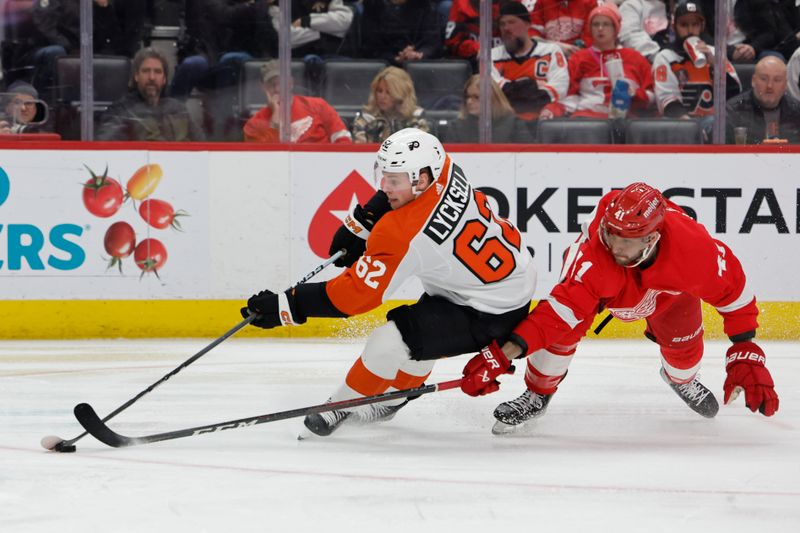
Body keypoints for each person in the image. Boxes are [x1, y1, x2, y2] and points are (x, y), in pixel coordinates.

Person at [240, 128, 537, 437]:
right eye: (384, 175)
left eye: (393, 180)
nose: (384, 185)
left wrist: (289, 303)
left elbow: (356, 297)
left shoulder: (402, 233)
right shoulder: (444, 166)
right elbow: (398, 197)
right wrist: (363, 222)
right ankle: (399, 395)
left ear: (421, 179)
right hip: (502, 281)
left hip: (490, 311)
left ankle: (338, 408)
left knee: (390, 342)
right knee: (421, 335)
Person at [460, 182, 780, 435]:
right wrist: (503, 354)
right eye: (610, 233)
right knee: (564, 328)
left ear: (651, 239)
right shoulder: (597, 258)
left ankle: (680, 379)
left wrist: (745, 348)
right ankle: (538, 393)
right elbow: (556, 314)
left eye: (626, 239)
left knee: (684, 356)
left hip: (670, 293)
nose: (614, 245)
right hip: (607, 287)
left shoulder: (694, 252)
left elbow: (734, 293)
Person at [170, 0, 278, 139]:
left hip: (241, 55)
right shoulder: (210, 5)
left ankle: (222, 122)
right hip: (208, 52)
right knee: (194, 64)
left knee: (232, 60)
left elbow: (269, 36)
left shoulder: (258, 6)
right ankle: (169, 110)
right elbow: (223, 14)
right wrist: (252, 5)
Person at [540, 2, 654, 120]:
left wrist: (635, 93)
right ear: (590, 29)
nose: (600, 28)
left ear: (616, 28)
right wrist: (551, 110)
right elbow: (568, 96)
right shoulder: (579, 58)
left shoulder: (635, 57)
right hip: (587, 121)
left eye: (606, 24)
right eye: (595, 24)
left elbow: (652, 96)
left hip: (625, 122)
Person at [29, 0, 145, 99]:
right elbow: (44, 25)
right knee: (56, 52)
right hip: (51, 48)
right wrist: (69, 47)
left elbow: (111, 37)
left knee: (111, 59)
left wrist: (104, 8)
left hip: (87, 51)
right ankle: (44, 100)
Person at [652, 1, 741, 120]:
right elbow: (667, 100)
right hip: (681, 123)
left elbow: (735, 94)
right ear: (674, 27)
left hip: (715, 122)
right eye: (684, 25)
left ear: (702, 27)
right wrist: (691, 127)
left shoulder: (715, 54)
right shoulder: (664, 57)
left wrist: (716, 65)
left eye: (695, 24)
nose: (690, 30)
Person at [96, 48, 205, 142]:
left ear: (164, 79)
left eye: (157, 71)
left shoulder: (178, 110)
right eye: (146, 71)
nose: (152, 77)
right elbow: (104, 150)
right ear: (136, 76)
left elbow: (203, 147)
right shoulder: (120, 111)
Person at [491, 1, 569, 122]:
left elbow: (560, 88)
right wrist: (533, 85)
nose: (506, 28)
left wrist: (512, 88)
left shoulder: (551, 51)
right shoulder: (493, 55)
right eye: (502, 24)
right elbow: (494, 92)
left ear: (527, 24)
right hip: (505, 121)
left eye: (512, 22)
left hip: (542, 120)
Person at [243, 59, 352, 143]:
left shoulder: (318, 105)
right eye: (271, 84)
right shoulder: (253, 126)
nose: (277, 88)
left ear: (291, 82)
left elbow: (342, 138)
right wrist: (275, 123)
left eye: (281, 82)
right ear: (263, 87)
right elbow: (267, 161)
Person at [726, 56, 800, 143]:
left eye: (777, 80)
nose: (770, 86)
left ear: (785, 85)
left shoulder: (797, 111)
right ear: (753, 81)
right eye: (764, 79)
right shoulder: (732, 111)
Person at [351, 66, 430, 144]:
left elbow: (419, 148)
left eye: (388, 92)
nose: (382, 96)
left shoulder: (416, 117)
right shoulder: (366, 117)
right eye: (379, 90)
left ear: (401, 94)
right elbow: (359, 150)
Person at [446, 74, 533, 142]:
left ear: (492, 98)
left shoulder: (514, 124)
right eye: (467, 97)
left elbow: (528, 157)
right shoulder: (455, 127)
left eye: (476, 97)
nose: (469, 101)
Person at [360, 0, 443, 66]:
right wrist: (395, 59)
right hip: (384, 67)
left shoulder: (426, 6)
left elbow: (432, 44)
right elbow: (371, 48)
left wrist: (419, 54)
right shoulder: (373, 6)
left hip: (419, 66)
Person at [734, 0, 800, 62]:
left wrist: (753, 47)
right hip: (734, 48)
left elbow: (769, 32)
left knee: (774, 61)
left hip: (755, 47)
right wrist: (731, 52)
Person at [529, 0, 599, 58]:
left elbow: (590, 36)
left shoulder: (589, 2)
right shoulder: (541, 3)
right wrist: (557, 47)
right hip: (550, 56)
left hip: (579, 57)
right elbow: (533, 37)